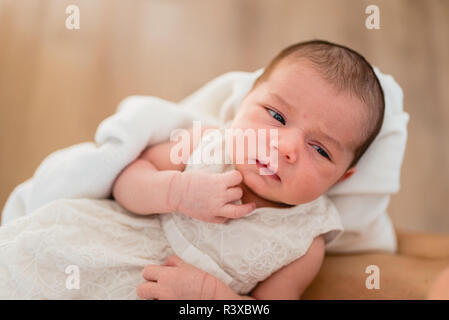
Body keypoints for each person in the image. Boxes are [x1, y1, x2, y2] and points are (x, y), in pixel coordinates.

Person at [112, 39, 385, 299]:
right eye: (277, 116)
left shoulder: (305, 241)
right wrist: (176, 191)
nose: (286, 147)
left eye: (320, 150)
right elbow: (126, 182)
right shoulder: (208, 145)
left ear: (340, 179)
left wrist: (210, 295)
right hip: (106, 249)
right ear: (243, 102)